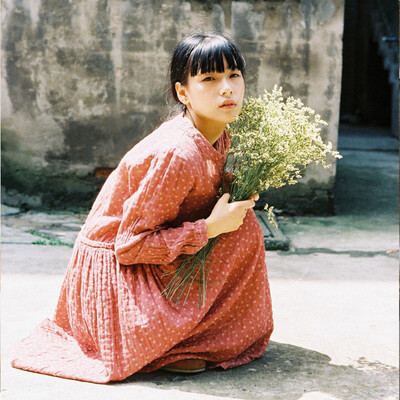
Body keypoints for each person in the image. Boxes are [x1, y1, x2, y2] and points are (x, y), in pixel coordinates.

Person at [11, 31, 274, 384]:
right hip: (116, 274)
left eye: (234, 76)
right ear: (183, 92)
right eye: (209, 79)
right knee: (235, 231)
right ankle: (171, 344)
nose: (226, 88)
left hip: (145, 261)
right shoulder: (177, 153)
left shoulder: (217, 132)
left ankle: (189, 337)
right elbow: (130, 246)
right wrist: (210, 227)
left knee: (243, 226)